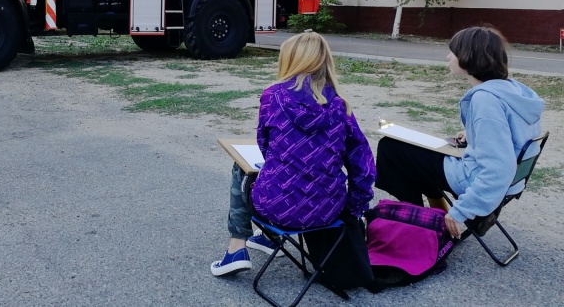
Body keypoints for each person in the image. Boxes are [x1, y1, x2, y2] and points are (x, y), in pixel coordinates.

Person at [211, 32, 376, 276]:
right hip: (327, 210)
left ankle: (237, 247)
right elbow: (364, 166)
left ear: (290, 60)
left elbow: (265, 146)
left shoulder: (272, 96)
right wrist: (353, 208)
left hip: (275, 206)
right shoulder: (341, 106)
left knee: (242, 167)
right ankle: (269, 240)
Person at [375, 26, 544, 239]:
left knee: (390, 148)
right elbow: (511, 133)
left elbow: (498, 167)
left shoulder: (486, 101)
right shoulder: (511, 89)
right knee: (413, 150)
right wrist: (472, 132)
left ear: (468, 57)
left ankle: (419, 222)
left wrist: (462, 210)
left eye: (453, 52)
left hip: (475, 178)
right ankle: (429, 212)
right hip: (514, 180)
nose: (448, 57)